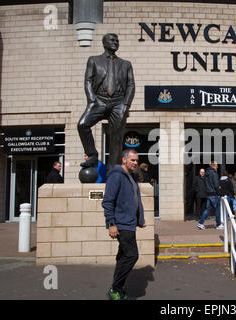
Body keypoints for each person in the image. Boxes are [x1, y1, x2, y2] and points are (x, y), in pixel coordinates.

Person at [78, 33, 135, 170]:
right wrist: (92, 100)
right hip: (99, 100)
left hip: (118, 102)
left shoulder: (126, 64)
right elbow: (88, 81)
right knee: (82, 125)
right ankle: (92, 154)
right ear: (104, 43)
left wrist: (125, 105)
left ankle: (113, 171)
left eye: (117, 40)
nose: (115, 42)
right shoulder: (94, 60)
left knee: (116, 138)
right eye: (112, 40)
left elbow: (131, 85)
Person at [102, 149, 146, 300]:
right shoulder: (116, 176)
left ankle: (117, 288)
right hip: (121, 224)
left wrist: (140, 218)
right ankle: (116, 288)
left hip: (130, 223)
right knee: (132, 256)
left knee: (122, 257)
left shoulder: (132, 176)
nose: (135, 163)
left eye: (137, 161)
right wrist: (111, 224)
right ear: (124, 160)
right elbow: (108, 201)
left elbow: (135, 199)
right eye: (132, 160)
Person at [197, 161, 223, 230]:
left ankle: (200, 223)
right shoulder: (214, 173)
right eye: (217, 165)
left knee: (207, 209)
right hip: (214, 194)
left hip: (208, 194)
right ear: (213, 165)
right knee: (217, 209)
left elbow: (206, 183)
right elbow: (216, 184)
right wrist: (219, 193)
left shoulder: (206, 173)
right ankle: (219, 224)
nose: (217, 167)